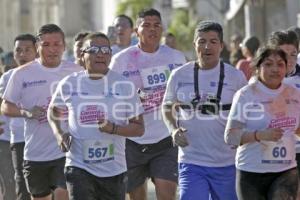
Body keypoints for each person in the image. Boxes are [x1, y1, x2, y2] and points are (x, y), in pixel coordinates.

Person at [47, 32, 144, 200]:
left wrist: (113, 128)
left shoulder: (125, 85)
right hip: (78, 166)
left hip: (114, 169)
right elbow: (53, 110)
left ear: (110, 55)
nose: (100, 54)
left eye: (105, 49)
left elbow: (139, 128)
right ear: (82, 55)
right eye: (93, 49)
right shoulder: (69, 83)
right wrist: (59, 134)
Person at [162, 20, 247, 200]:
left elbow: (247, 112)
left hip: (227, 163)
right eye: (201, 41)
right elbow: (167, 106)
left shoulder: (236, 77)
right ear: (195, 45)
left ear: (221, 46)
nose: (207, 46)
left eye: (213, 41)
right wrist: (173, 130)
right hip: (191, 161)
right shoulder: (179, 75)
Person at [110, 8, 186, 200]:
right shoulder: (120, 60)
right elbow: (109, 96)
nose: (152, 29)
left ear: (162, 29)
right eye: (146, 25)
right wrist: (132, 98)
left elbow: (185, 92)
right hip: (133, 141)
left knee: (167, 193)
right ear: (137, 31)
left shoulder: (176, 58)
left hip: (165, 138)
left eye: (157, 25)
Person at [1, 24, 83, 200]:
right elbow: (5, 107)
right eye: (46, 45)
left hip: (68, 150)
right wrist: (26, 112)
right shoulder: (22, 74)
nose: (52, 49)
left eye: (57, 44)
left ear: (64, 46)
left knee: (63, 194)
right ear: (38, 47)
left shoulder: (76, 72)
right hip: (35, 152)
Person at [225, 46, 300, 199]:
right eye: (268, 64)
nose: (275, 69)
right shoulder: (245, 95)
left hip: (286, 171)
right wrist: (260, 135)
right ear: (257, 68)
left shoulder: (294, 95)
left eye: (280, 64)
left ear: (286, 69)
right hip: (251, 172)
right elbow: (230, 136)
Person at [0, 33, 37, 200]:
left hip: (47, 140)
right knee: (20, 186)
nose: (22, 55)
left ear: (36, 51)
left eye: (27, 50)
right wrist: (25, 113)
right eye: (18, 51)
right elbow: (4, 105)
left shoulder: (49, 73)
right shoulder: (7, 77)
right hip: (17, 138)